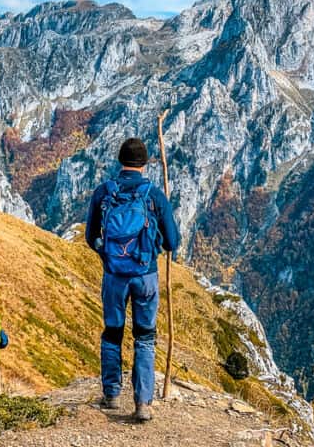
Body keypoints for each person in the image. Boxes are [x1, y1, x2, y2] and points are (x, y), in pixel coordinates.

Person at [85, 137, 180, 423]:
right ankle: (143, 404)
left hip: (114, 277)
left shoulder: (104, 192)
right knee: (145, 337)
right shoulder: (153, 195)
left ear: (120, 160)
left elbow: (91, 237)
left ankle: (111, 395)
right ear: (147, 162)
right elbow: (173, 241)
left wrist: (108, 256)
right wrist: (150, 250)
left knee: (112, 333)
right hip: (145, 275)